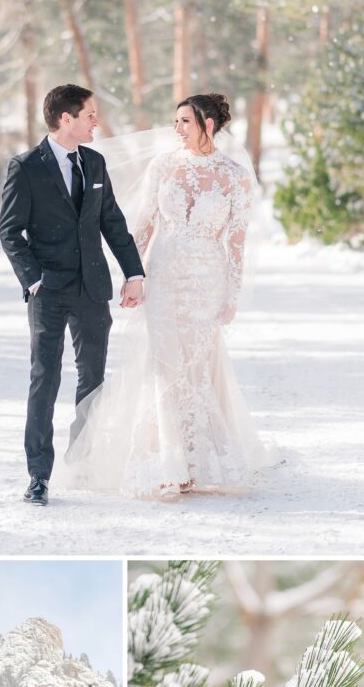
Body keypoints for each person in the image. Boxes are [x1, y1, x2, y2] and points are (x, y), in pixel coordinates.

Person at [61, 93, 274, 500]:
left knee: (196, 367)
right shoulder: (163, 166)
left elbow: (236, 242)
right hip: (163, 275)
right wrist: (133, 274)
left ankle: (198, 460)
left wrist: (231, 293)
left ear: (208, 124)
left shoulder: (234, 176)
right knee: (163, 366)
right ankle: (166, 462)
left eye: (184, 122)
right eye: (175, 121)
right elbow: (142, 226)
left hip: (207, 282)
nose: (175, 130)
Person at [0, 84, 145, 505]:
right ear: (67, 118)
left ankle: (82, 461)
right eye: (90, 115)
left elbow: (112, 223)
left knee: (94, 380)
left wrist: (133, 272)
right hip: (48, 291)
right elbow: (10, 232)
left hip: (92, 289)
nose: (96, 121)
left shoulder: (95, 163)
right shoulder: (25, 167)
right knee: (45, 379)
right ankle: (39, 475)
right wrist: (34, 279)